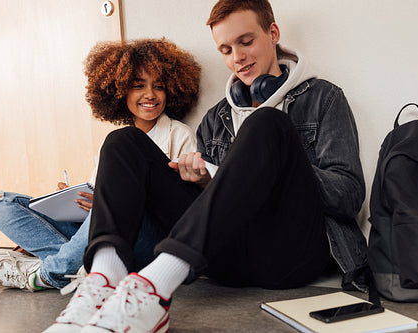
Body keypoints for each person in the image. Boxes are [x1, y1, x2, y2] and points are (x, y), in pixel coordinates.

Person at [43, 1, 367, 332]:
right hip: (226, 256)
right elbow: (219, 200)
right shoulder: (216, 118)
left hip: (287, 255)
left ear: (273, 34)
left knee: (268, 122)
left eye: (246, 41)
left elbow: (349, 195)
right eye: (226, 49)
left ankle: (154, 288)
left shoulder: (323, 99)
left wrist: (281, 162)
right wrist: (203, 181)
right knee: (123, 142)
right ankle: (104, 280)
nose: (237, 57)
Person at [0, 38, 201, 292]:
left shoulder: (180, 135)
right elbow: (99, 196)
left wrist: (105, 206)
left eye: (159, 86)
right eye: (138, 85)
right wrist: (70, 197)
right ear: (120, 91)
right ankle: (81, 267)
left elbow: (178, 207)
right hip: (99, 229)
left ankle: (45, 274)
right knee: (2, 205)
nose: (150, 95)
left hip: (145, 236)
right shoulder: (114, 143)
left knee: (102, 215)